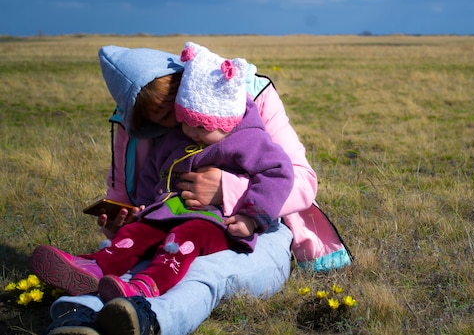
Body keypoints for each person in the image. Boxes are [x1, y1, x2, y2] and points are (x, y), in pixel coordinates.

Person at [37, 44, 352, 335]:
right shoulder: (134, 123)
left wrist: (228, 191)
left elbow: (299, 180)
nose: (177, 128)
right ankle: (78, 315)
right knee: (147, 254)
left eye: (172, 113)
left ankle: (148, 319)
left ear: (183, 87)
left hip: (257, 228)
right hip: (173, 218)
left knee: (203, 268)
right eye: (159, 122)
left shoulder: (249, 99)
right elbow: (131, 196)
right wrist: (125, 222)